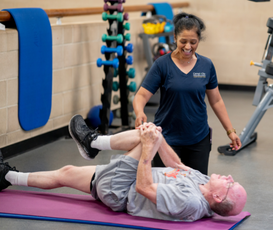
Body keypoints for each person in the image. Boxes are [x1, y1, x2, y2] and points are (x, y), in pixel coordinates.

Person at [0, 115, 247, 222]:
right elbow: (176, 164)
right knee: (66, 172)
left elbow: (144, 187)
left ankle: (92, 143)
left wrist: (149, 147)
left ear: (217, 197)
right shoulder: (203, 180)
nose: (228, 176)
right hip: (126, 181)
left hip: (121, 191)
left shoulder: (191, 202)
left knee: (145, 137)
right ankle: (7, 176)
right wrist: (159, 139)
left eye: (230, 183)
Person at [133, 12, 242, 174]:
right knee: (166, 190)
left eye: (193, 42)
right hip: (166, 139)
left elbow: (216, 101)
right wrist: (139, 111)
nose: (188, 47)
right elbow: (141, 95)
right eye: (183, 41)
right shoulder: (162, 65)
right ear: (175, 38)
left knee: (197, 190)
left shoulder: (206, 65)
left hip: (198, 140)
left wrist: (230, 131)